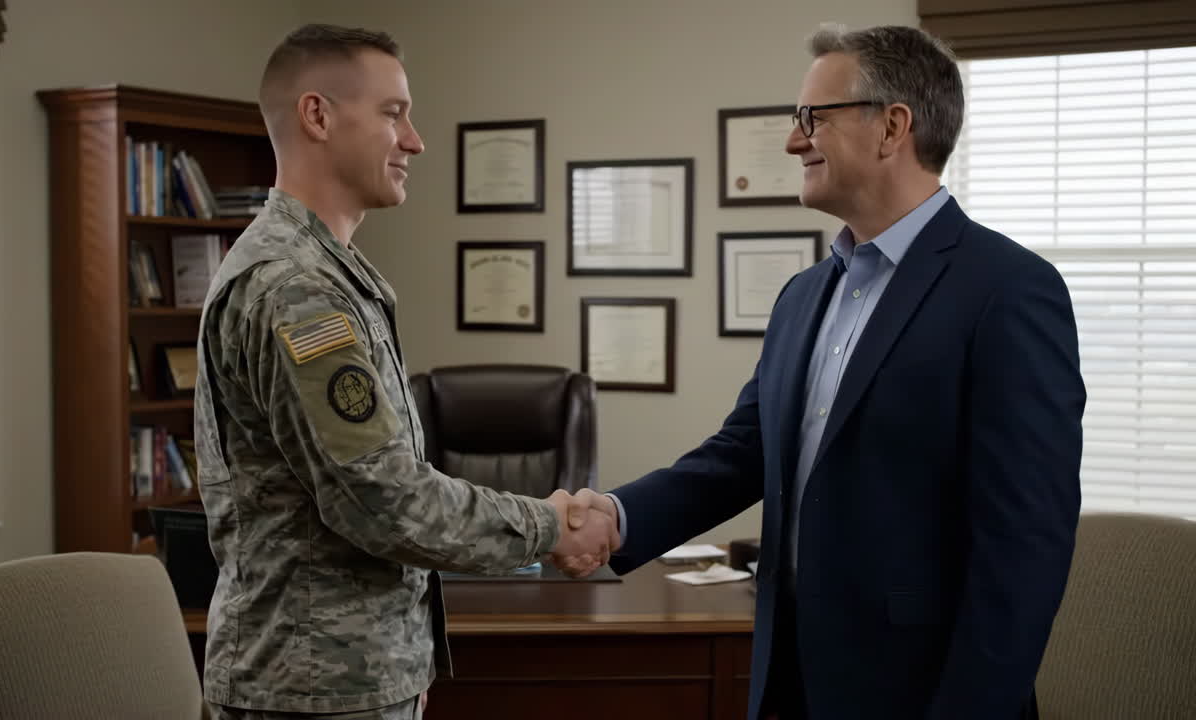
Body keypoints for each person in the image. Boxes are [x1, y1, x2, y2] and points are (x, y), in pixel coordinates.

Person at [563, 24, 1085, 720]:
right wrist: (618, 516)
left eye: (813, 118)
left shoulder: (1010, 290)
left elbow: (1024, 549)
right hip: (790, 681)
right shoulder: (804, 294)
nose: (792, 140)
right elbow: (742, 453)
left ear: (892, 127)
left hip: (919, 694)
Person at [194, 24, 617, 720]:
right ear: (317, 115)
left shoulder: (328, 272)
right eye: (394, 114)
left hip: (348, 678)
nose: (415, 141)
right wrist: (549, 524)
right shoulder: (295, 288)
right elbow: (381, 498)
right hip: (312, 691)